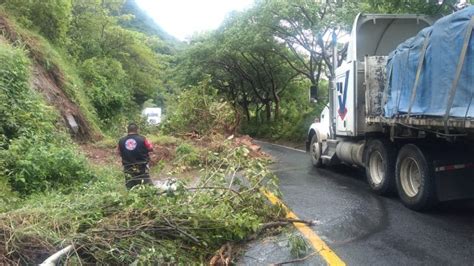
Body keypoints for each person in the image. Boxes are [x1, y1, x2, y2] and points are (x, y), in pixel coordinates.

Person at [118, 123, 153, 189]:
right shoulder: (142, 139)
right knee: (148, 188)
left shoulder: (121, 141)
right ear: (137, 130)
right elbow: (150, 148)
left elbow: (119, 152)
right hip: (142, 166)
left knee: (130, 188)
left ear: (127, 130)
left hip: (128, 167)